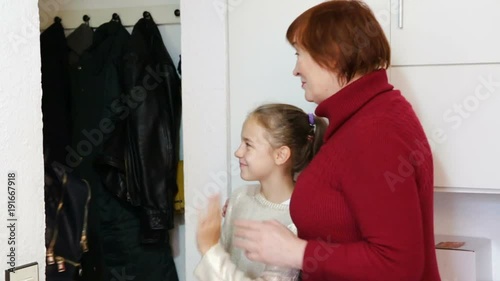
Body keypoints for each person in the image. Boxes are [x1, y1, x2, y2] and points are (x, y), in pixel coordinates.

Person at [232, 1, 442, 281]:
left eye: (299, 54)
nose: (295, 70)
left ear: (331, 56)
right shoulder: (367, 115)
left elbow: (398, 265)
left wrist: (297, 253)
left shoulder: (377, 131)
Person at [195, 103, 327, 281]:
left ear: (280, 155)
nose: (237, 152)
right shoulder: (241, 197)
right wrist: (212, 247)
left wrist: (209, 248)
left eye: (248, 145)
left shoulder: (297, 219)